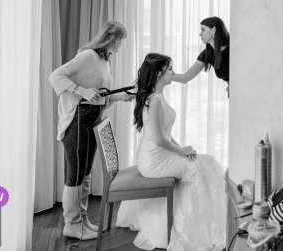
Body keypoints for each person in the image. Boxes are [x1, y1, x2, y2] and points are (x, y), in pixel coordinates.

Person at [116, 53, 226, 250]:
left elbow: (165, 134)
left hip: (156, 155)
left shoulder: (156, 96)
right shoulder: (155, 100)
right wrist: (181, 151)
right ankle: (193, 228)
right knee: (195, 170)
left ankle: (200, 221)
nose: (174, 73)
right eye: (170, 69)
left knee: (207, 160)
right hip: (153, 161)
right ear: (160, 73)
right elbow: (159, 139)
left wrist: (181, 149)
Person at [49, 21, 135, 241]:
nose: (121, 46)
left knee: (85, 173)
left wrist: (119, 96)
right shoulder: (88, 56)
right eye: (122, 41)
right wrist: (81, 90)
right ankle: (72, 224)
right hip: (79, 119)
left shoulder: (105, 60)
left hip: (93, 117)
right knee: (76, 174)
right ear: (114, 39)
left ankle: (81, 219)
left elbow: (100, 95)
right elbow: (56, 76)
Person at [172, 16, 230, 96]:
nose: (200, 34)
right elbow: (185, 78)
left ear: (214, 30)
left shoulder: (233, 49)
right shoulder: (207, 54)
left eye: (203, 29)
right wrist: (162, 74)